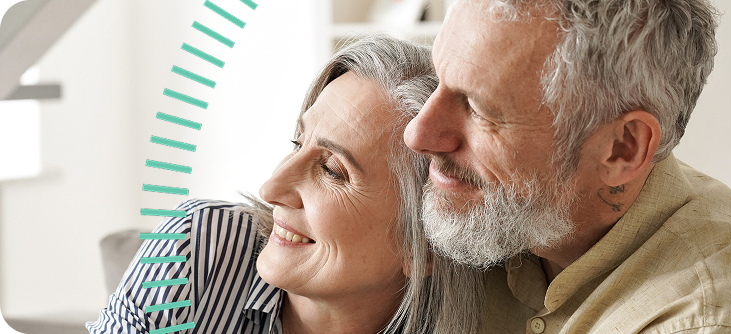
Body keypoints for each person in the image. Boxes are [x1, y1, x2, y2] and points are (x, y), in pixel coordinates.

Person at [403, 0, 731, 333]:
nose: (416, 135)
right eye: (438, 79)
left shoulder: (706, 318)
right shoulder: (495, 206)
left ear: (622, 149)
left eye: (478, 108)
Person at [87, 35, 483, 334]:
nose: (271, 189)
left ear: (425, 247)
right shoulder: (197, 246)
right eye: (297, 142)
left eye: (332, 170)